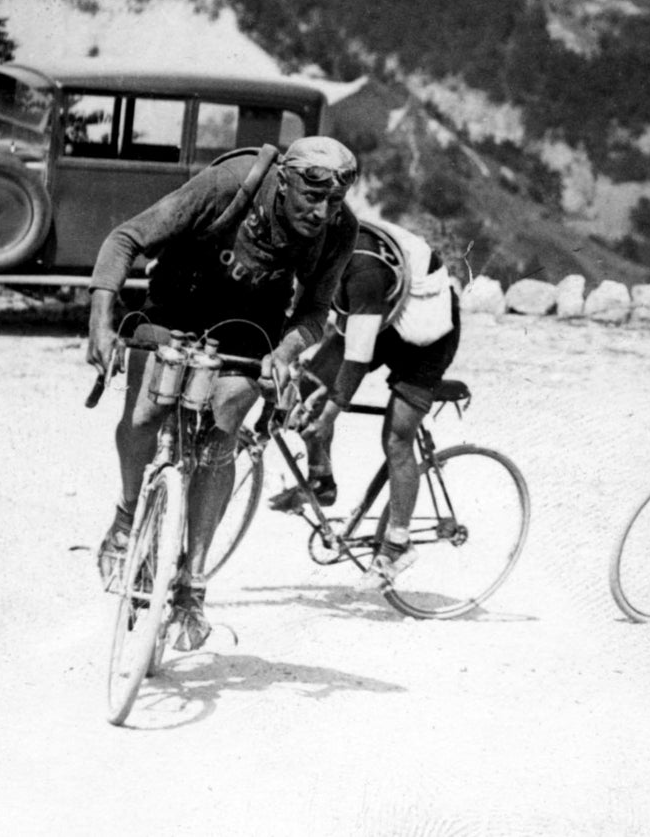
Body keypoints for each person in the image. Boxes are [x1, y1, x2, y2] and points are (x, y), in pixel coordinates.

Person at [85, 135, 361, 649]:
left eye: (334, 201)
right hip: (177, 300)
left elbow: (314, 312)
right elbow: (126, 238)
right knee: (144, 415)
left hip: (250, 323)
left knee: (221, 437)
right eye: (311, 197)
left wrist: (283, 356)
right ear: (283, 183)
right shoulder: (231, 183)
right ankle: (126, 516)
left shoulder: (340, 229)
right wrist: (102, 320)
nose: (322, 212)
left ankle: (192, 583)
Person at [266, 214, 462, 584]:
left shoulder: (363, 269)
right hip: (382, 316)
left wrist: (331, 413)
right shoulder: (321, 248)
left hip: (426, 337)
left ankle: (397, 545)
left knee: (397, 437)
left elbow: (356, 357)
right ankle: (322, 482)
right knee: (309, 387)